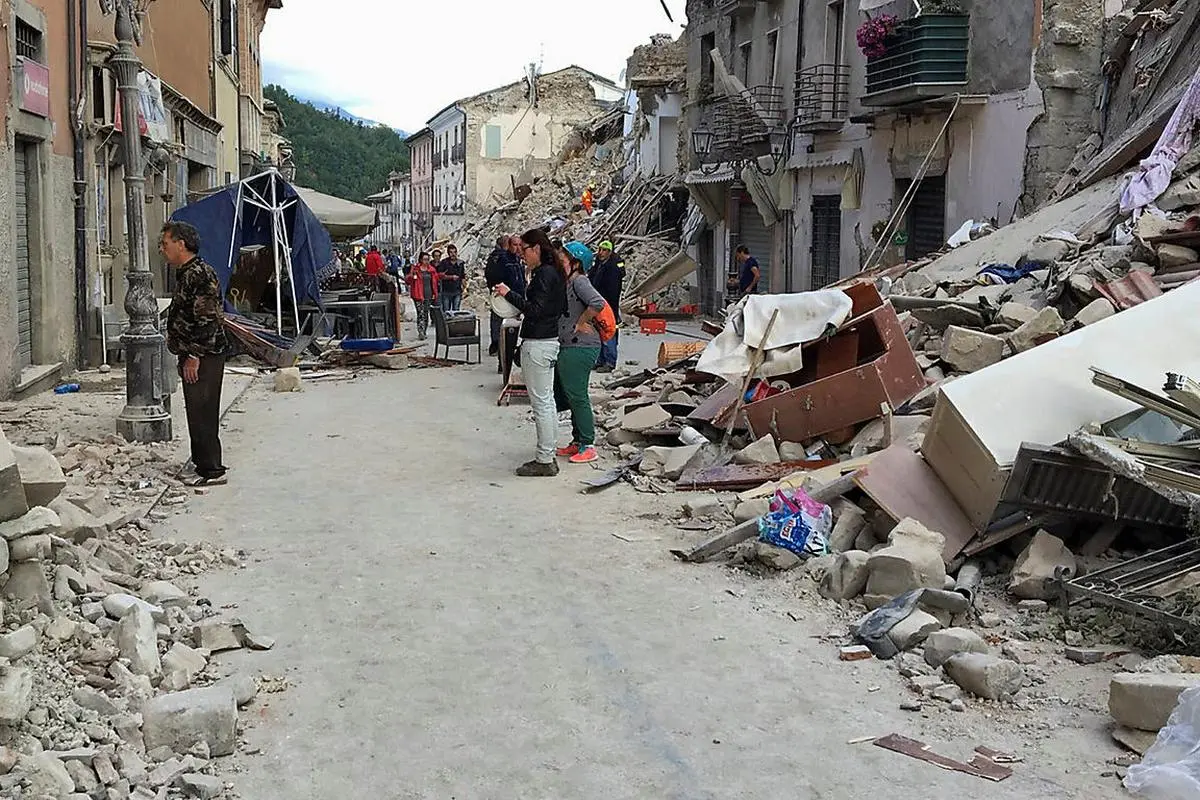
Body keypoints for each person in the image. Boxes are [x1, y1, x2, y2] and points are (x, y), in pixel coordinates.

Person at [494, 228, 567, 477]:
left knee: (541, 403)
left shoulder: (544, 275)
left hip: (539, 342)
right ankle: (548, 454)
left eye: (523, 249)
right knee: (546, 401)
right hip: (546, 341)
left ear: (536, 248)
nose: (521, 254)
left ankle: (545, 459)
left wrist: (509, 295)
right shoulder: (551, 272)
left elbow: (535, 309)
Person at [162, 220, 229, 488]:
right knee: (196, 410)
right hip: (194, 351)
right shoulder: (186, 272)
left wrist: (194, 355)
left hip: (205, 353)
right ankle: (203, 463)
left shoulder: (200, 274)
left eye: (166, 244)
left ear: (181, 244)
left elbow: (208, 319)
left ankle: (212, 470)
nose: (162, 249)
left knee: (203, 410)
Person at [554, 241, 604, 464]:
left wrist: (582, 321)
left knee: (578, 395)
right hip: (570, 345)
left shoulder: (580, 281)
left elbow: (597, 303)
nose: (559, 261)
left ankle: (588, 444)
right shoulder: (569, 282)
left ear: (575, 263)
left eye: (563, 259)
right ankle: (577, 441)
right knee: (571, 395)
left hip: (581, 345)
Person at [590, 240, 625, 373]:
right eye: (600, 250)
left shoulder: (612, 267)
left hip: (608, 305)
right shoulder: (599, 264)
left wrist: (606, 303)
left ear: (609, 252)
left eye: (604, 250)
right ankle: (601, 360)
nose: (601, 253)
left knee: (608, 331)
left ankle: (610, 361)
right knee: (599, 332)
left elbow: (613, 288)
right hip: (599, 303)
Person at [485, 235, 512, 356]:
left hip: (494, 291)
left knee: (495, 319)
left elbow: (488, 273)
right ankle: (502, 346)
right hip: (505, 292)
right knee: (505, 319)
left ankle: (495, 343)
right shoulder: (505, 257)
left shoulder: (492, 256)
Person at [405, 251, 440, 340]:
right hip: (418, 295)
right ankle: (420, 331)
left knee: (425, 313)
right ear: (420, 260)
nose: (426, 261)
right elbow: (408, 281)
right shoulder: (416, 270)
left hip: (428, 295)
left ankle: (424, 331)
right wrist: (411, 275)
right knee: (420, 313)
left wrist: (434, 293)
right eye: (424, 259)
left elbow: (435, 281)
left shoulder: (431, 270)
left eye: (427, 259)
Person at [437, 244, 466, 313]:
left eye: (454, 252)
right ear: (448, 253)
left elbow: (462, 275)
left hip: (457, 291)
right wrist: (451, 277)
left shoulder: (460, 263)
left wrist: (464, 284)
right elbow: (440, 276)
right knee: (446, 312)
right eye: (451, 252)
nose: (453, 254)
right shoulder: (444, 263)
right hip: (446, 291)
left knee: (456, 312)